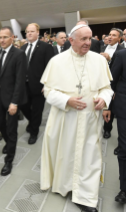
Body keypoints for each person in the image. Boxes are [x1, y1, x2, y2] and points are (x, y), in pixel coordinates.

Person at [40, 24, 113, 212]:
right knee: (66, 154)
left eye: (90, 39)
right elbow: (48, 91)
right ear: (71, 40)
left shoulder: (99, 61)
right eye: (83, 39)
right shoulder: (57, 61)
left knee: (88, 157)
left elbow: (107, 88)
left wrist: (103, 99)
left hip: (90, 121)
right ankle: (66, 186)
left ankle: (86, 197)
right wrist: (67, 100)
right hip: (65, 119)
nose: (88, 43)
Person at [0, 26, 27, 176]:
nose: (2, 40)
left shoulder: (19, 54)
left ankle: (9, 161)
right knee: (0, 124)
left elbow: (20, 81)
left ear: (12, 38)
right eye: (0, 37)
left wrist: (15, 102)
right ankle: (8, 143)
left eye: (5, 37)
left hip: (12, 97)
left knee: (12, 129)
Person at [20, 23, 54, 144]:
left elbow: (50, 67)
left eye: (32, 31)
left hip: (39, 85)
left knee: (37, 110)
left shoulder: (46, 47)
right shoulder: (23, 48)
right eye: (27, 31)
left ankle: (34, 132)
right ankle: (33, 122)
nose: (29, 33)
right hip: (24, 85)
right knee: (23, 106)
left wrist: (47, 85)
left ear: (38, 33)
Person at [102, 49, 126, 204]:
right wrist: (107, 106)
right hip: (124, 108)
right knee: (125, 148)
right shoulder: (122, 55)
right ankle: (124, 189)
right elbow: (111, 81)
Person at [101, 28, 124, 141]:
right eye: (109, 34)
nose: (110, 37)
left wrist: (110, 59)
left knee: (109, 106)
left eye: (114, 35)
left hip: (112, 82)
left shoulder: (122, 50)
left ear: (120, 38)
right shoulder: (101, 47)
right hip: (99, 81)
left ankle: (107, 129)